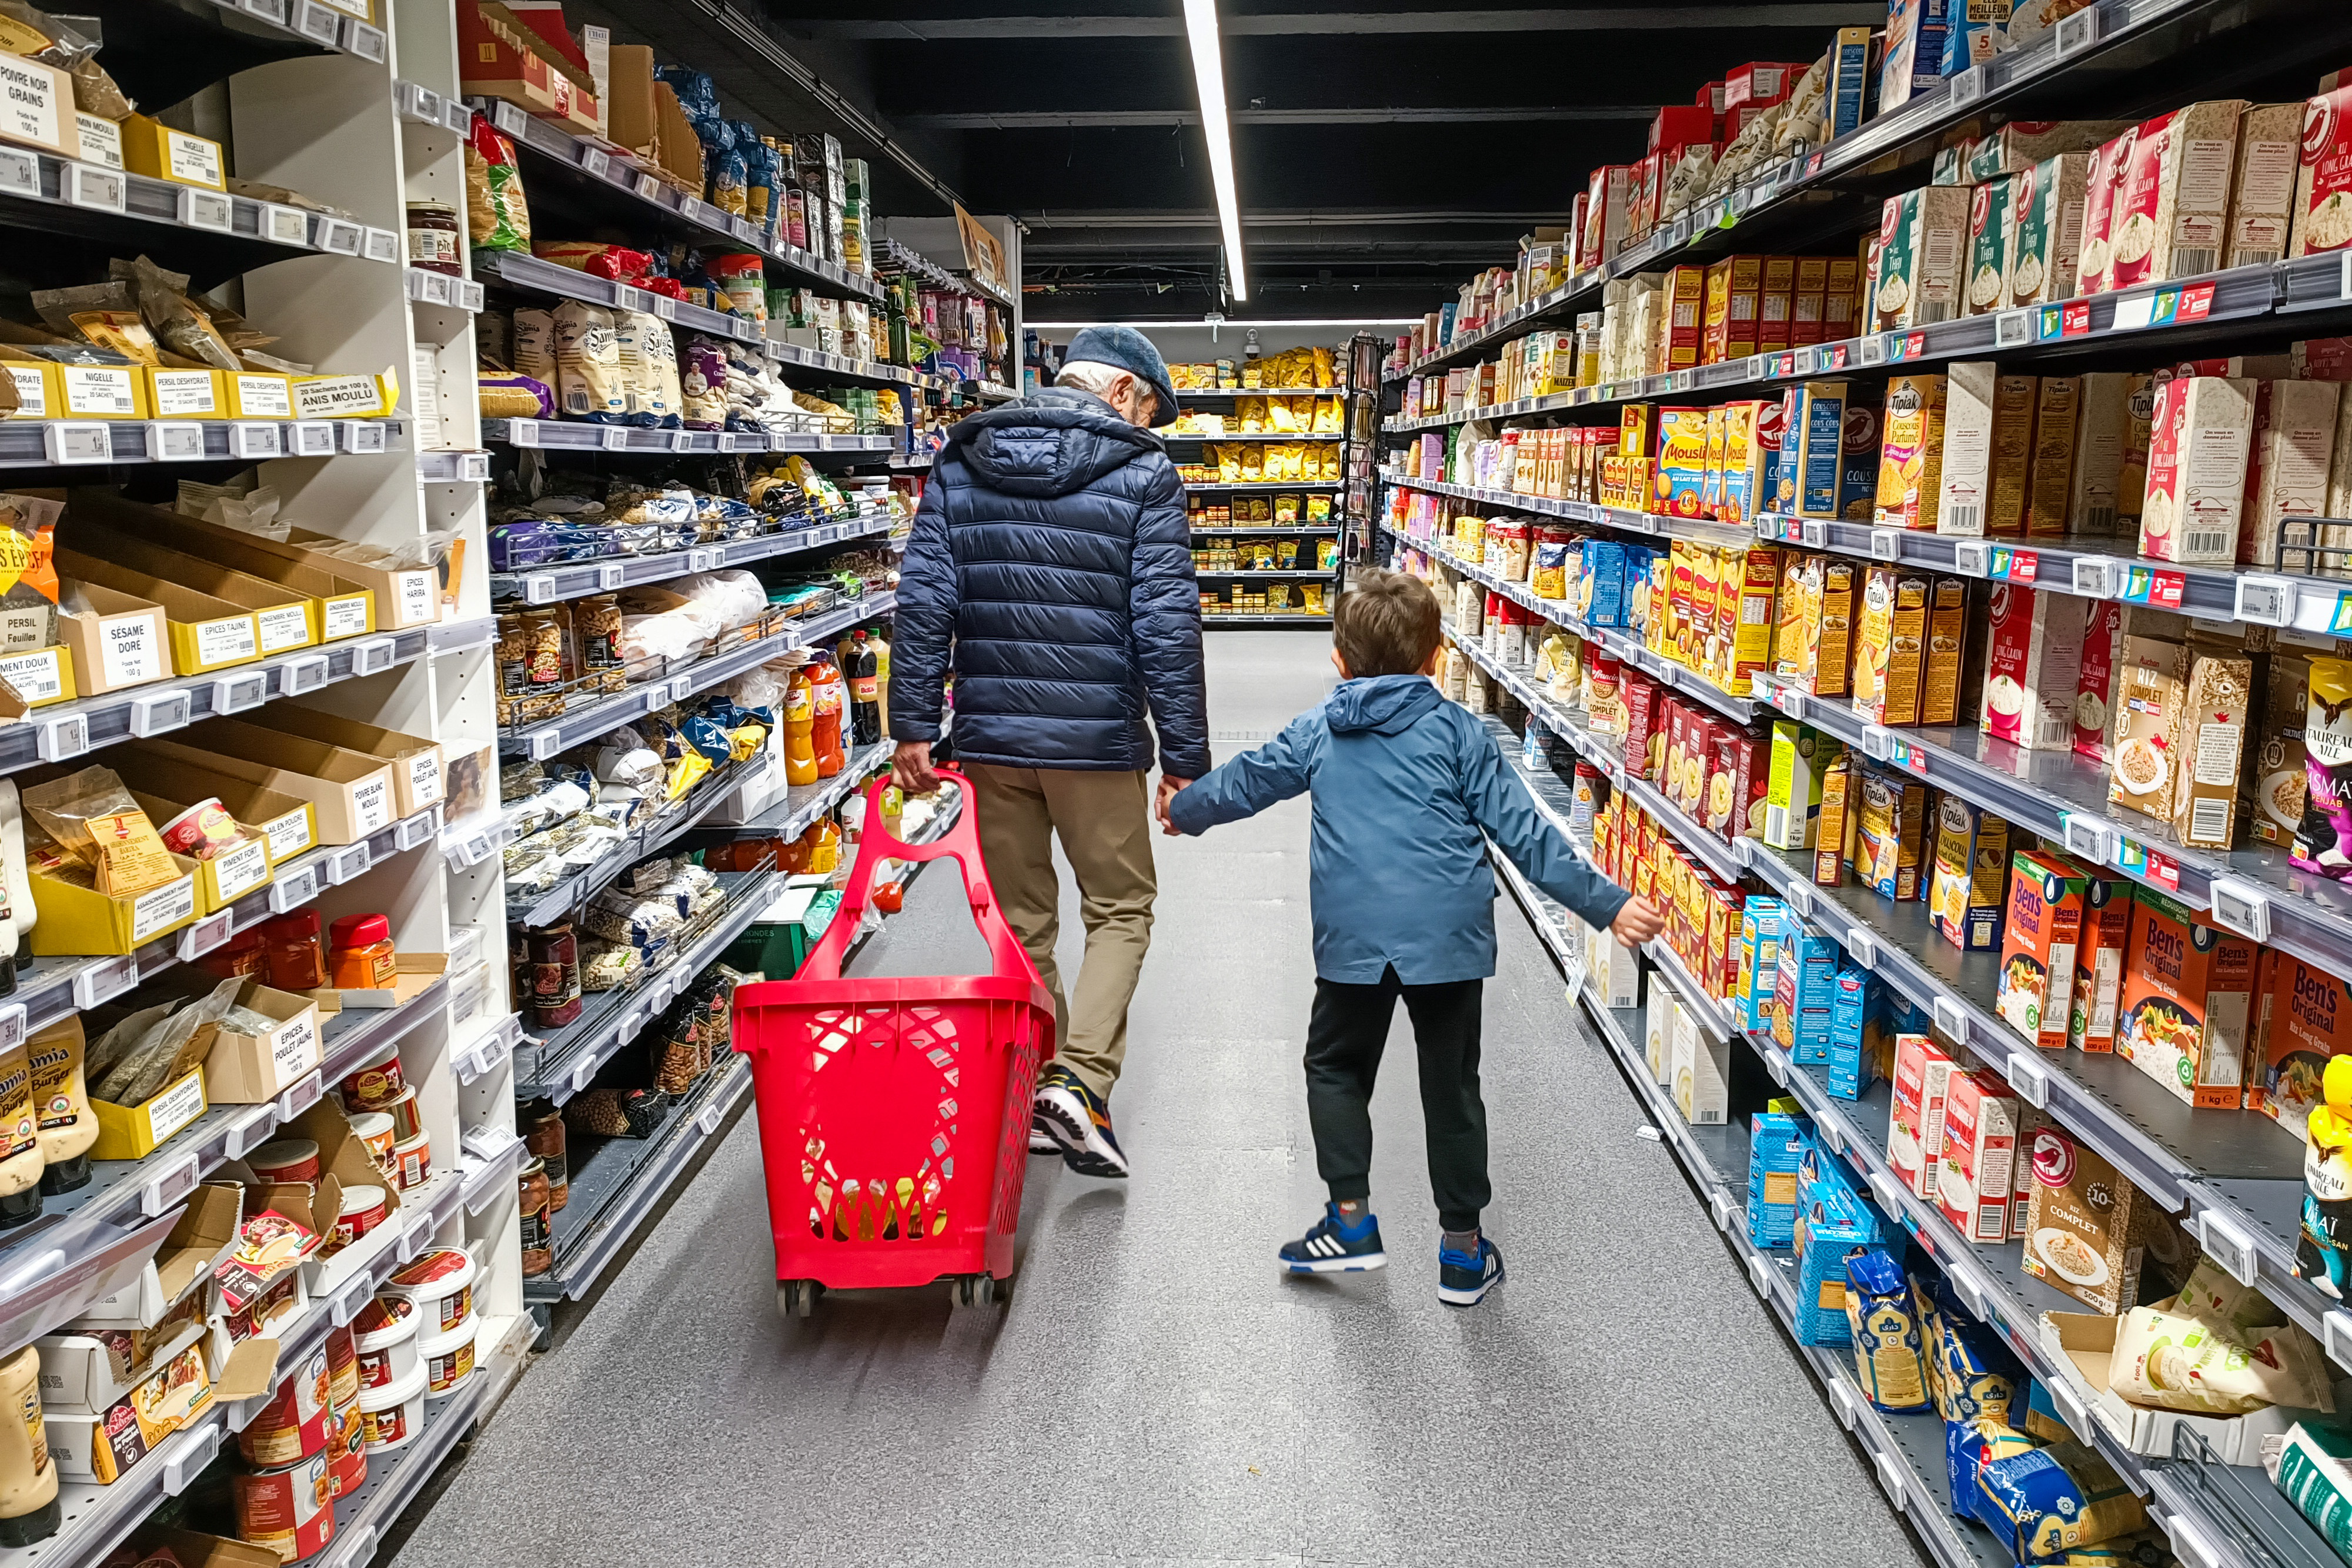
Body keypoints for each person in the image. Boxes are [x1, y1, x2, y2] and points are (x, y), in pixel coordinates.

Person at [1161, 569, 1663, 1306]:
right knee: (1451, 1088)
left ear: (1338, 660)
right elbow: (1525, 836)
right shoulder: (1460, 734)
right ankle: (1462, 1254)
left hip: (1354, 940)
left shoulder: (1319, 730)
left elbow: (1250, 779)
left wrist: (1185, 810)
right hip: (1447, 942)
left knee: (1335, 1067)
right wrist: (1608, 906)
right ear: (1435, 656)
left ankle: (1350, 1224)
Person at [890, 325, 1208, 1181]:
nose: (1147, 426)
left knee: (1020, 920)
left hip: (991, 737)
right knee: (1121, 907)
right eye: (1149, 409)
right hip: (1096, 739)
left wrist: (912, 722)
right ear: (1121, 392)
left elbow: (923, 601)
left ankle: (1037, 1082)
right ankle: (1080, 1079)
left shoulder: (963, 460)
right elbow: (1166, 626)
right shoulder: (1143, 472)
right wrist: (1185, 760)